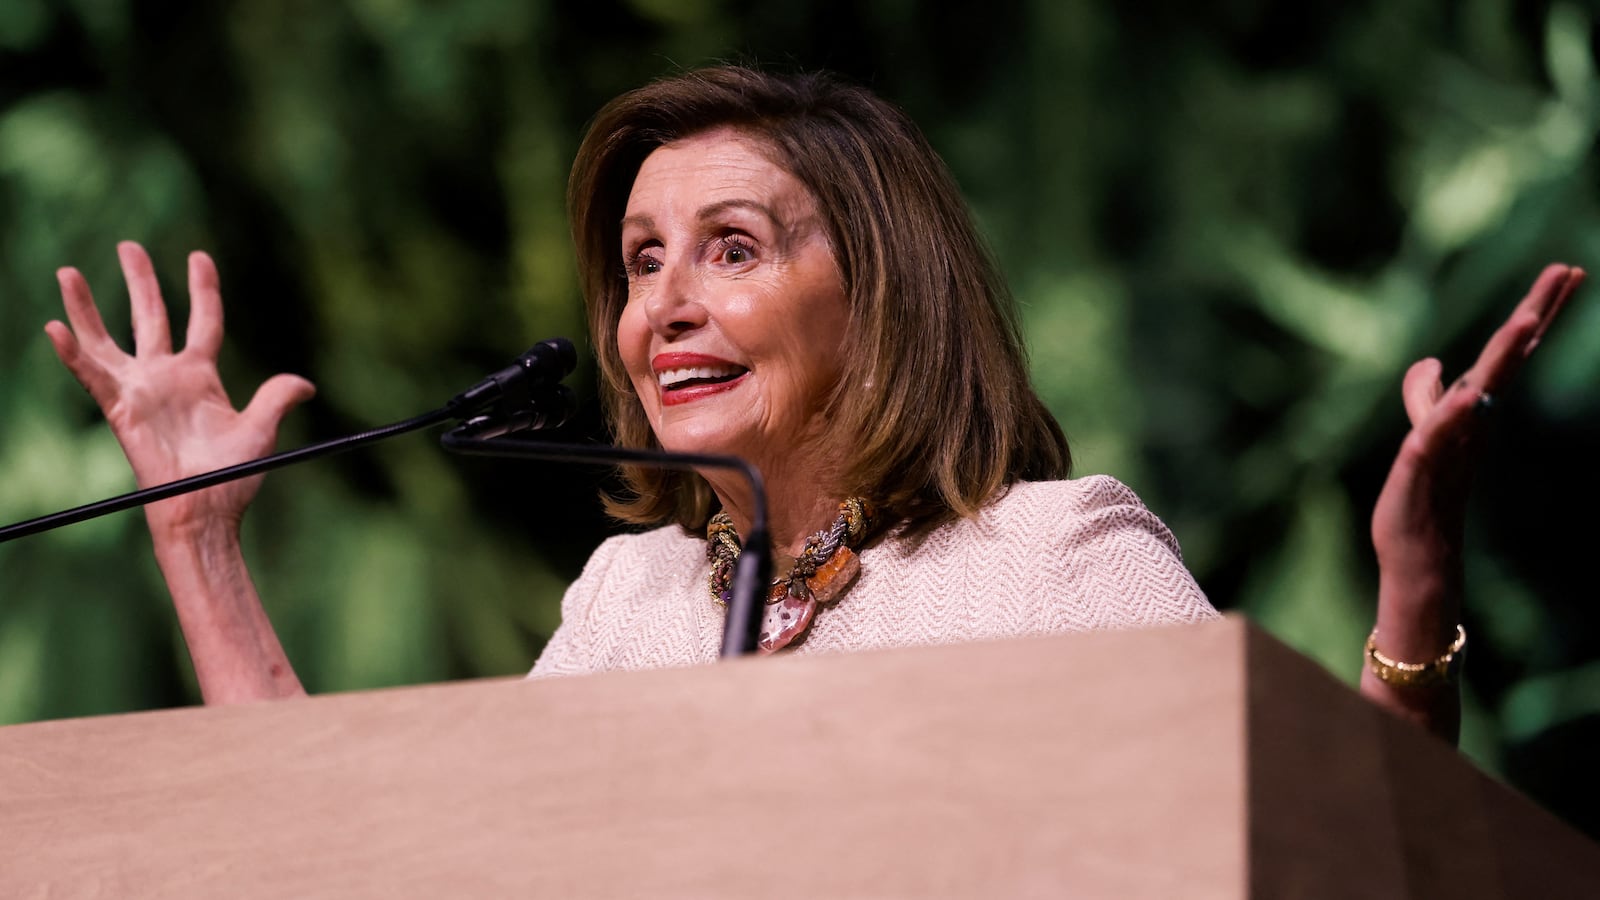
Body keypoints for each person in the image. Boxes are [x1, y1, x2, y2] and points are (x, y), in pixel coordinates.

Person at [45, 66, 1584, 744]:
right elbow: (368, 873)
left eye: (732, 250)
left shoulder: (1048, 559)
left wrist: (1415, 583)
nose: (662, 308)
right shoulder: (629, 599)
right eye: (643, 263)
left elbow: (1335, 865)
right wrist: (200, 543)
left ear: (883, 292)